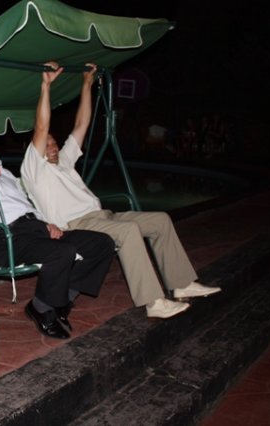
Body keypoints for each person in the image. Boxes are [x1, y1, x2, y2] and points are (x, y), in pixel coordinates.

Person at [20, 61, 221, 319]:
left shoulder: (65, 162)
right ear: (34, 150)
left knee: (160, 220)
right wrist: (46, 87)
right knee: (128, 232)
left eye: (54, 143)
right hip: (77, 225)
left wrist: (87, 84)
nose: (52, 147)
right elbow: (41, 127)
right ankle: (154, 302)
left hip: (104, 216)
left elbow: (81, 125)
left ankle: (181, 284)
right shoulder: (34, 171)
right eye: (46, 144)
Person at [0, 122, 115, 340]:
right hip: (6, 239)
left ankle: (62, 300)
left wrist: (46, 223)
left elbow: (25, 206)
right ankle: (41, 308)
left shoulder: (4, 173)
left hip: (36, 230)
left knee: (102, 243)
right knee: (63, 252)